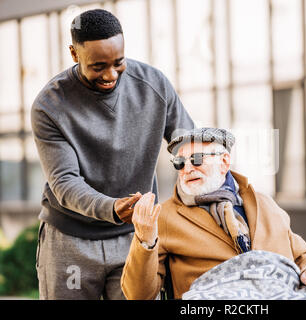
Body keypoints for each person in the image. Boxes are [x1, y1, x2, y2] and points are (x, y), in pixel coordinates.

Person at [31, 9, 194, 300]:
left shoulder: (154, 85)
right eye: (97, 66)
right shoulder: (50, 106)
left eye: (118, 63)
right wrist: (113, 207)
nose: (110, 74)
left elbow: (190, 144)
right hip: (71, 241)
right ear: (74, 54)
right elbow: (65, 181)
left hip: (135, 239)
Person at [120, 128, 306, 300]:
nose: (187, 168)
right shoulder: (165, 216)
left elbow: (303, 255)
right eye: (180, 162)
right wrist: (145, 240)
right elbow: (138, 295)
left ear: (224, 162)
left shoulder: (263, 203)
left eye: (196, 159)